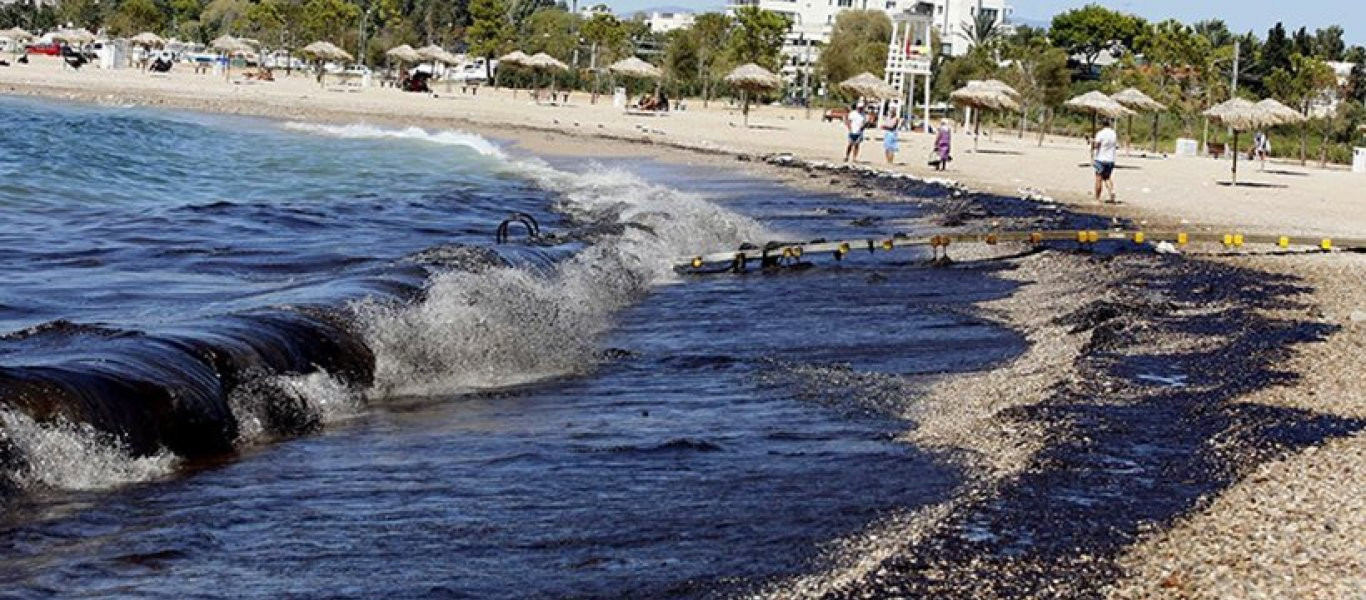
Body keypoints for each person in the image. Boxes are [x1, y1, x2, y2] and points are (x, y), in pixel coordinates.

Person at [1092, 118, 1119, 203]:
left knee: (1098, 178)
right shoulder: (1113, 133)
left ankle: (1097, 198)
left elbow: (1097, 145)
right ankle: (1112, 192)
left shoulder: (1100, 133)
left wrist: (1092, 145)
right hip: (1111, 159)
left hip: (1101, 158)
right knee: (1107, 177)